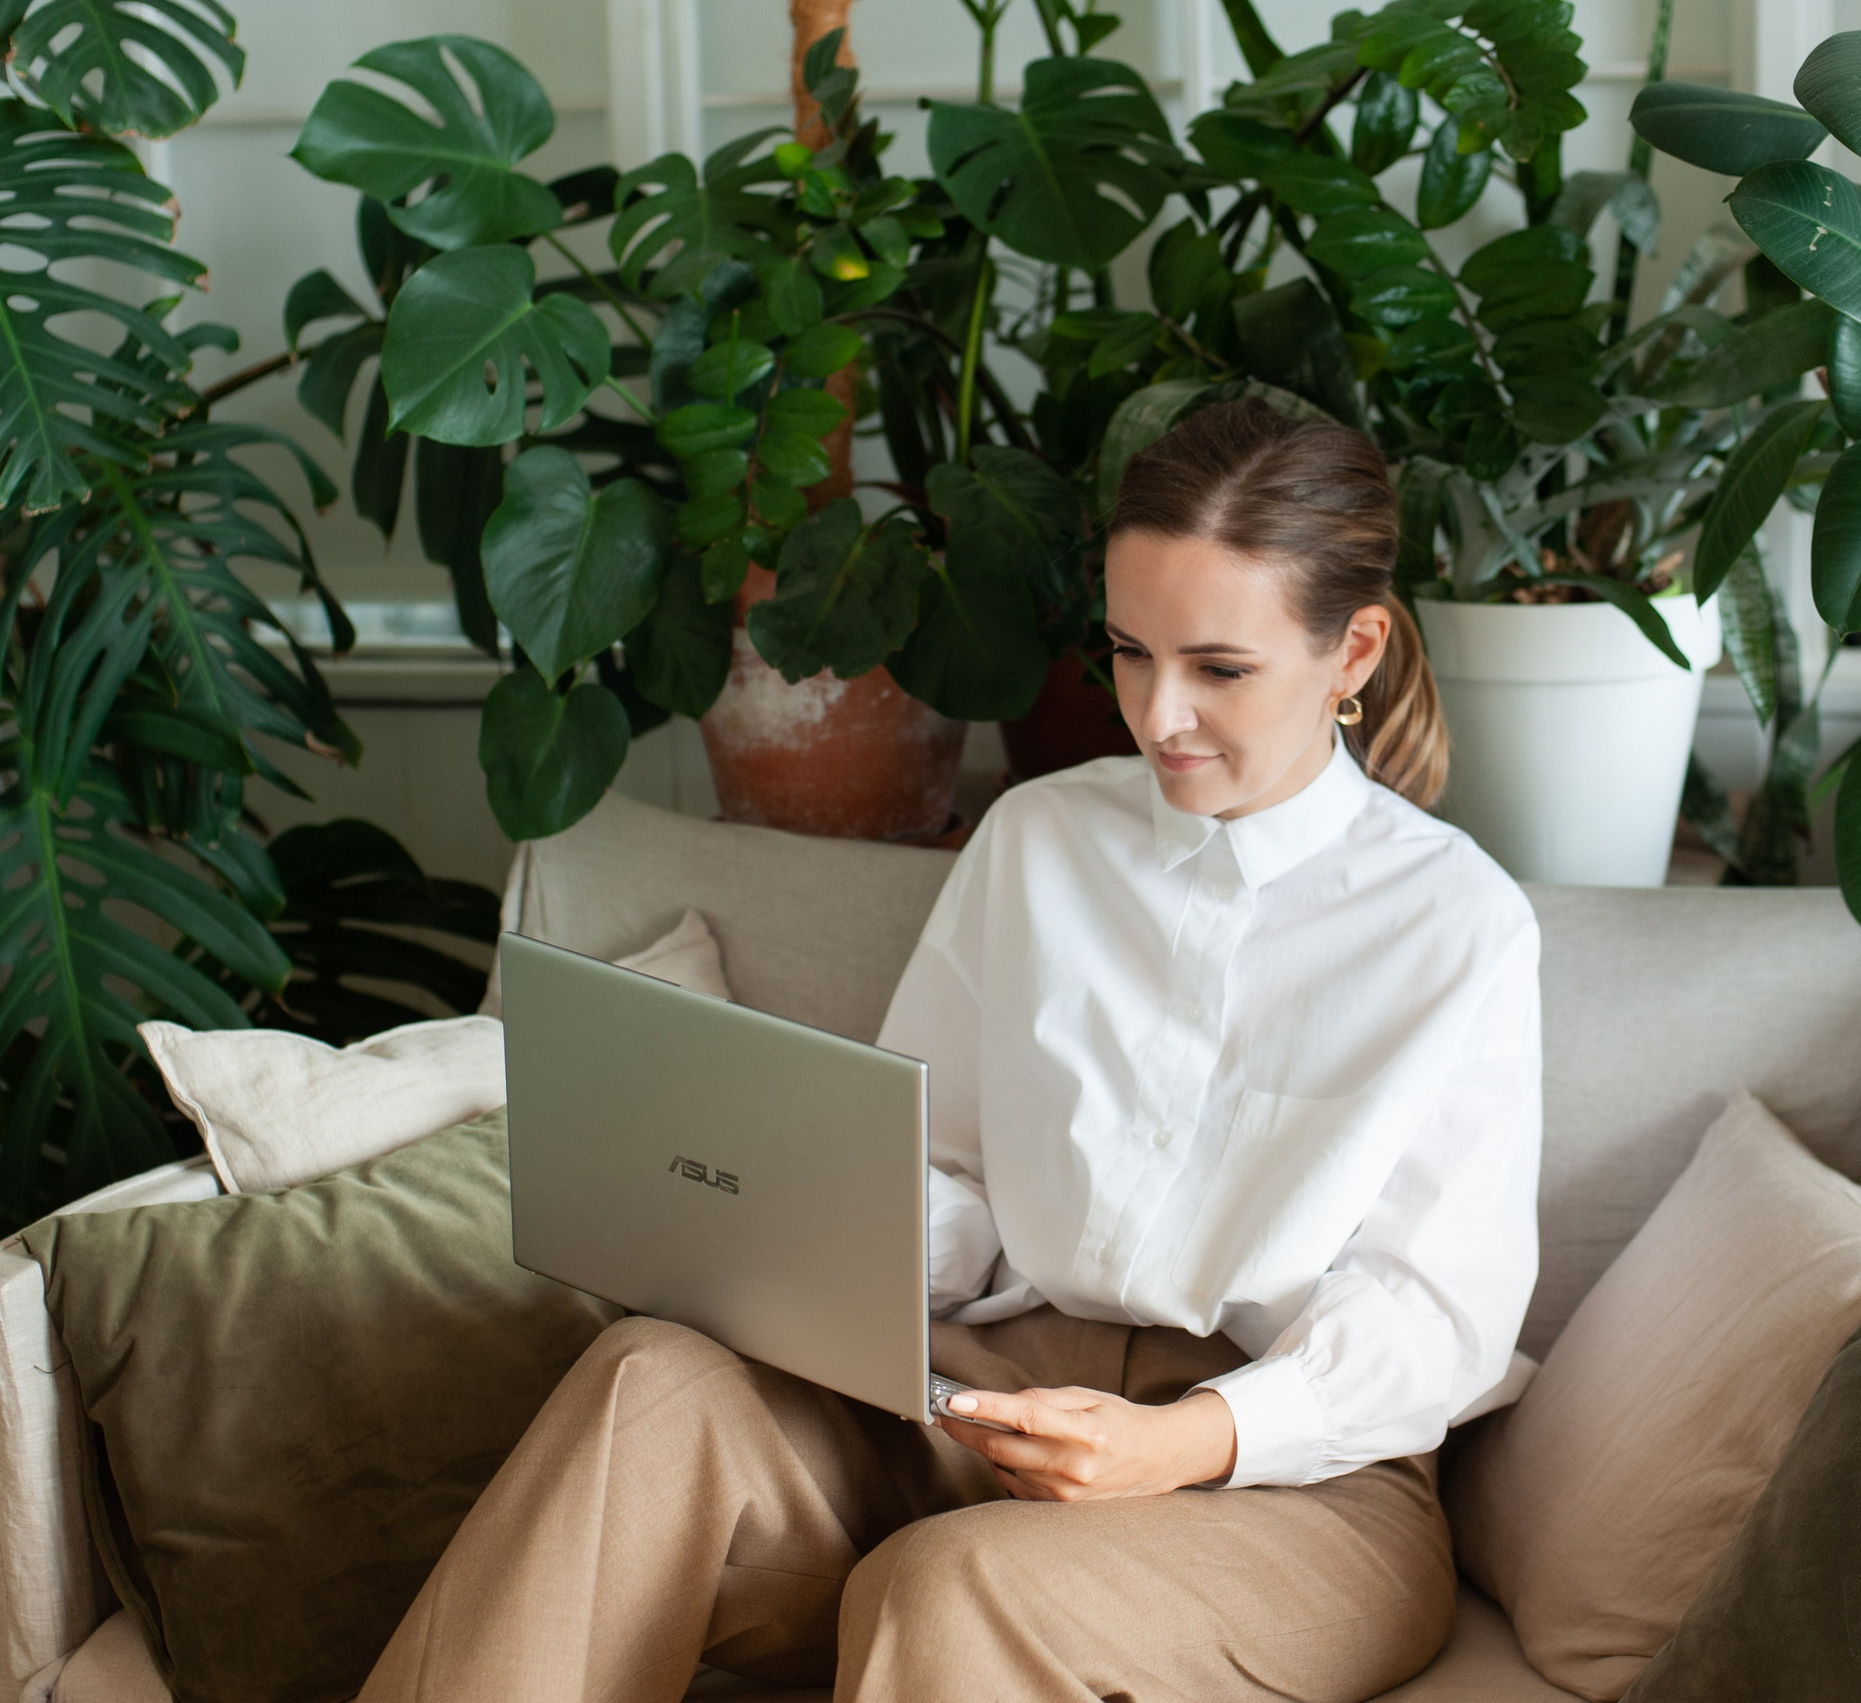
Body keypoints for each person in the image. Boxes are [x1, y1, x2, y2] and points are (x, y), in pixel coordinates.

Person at [358, 398, 1542, 1703]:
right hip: (989, 1398)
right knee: (650, 1383)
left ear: (1354, 648)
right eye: (1130, 653)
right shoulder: (1038, 839)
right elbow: (956, 1176)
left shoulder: (1455, 924)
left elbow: (1435, 1320)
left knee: (950, 1586)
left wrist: (1185, 1443)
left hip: (1289, 1482)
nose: (1157, 717)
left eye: (1219, 668)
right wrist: (787, 1237)